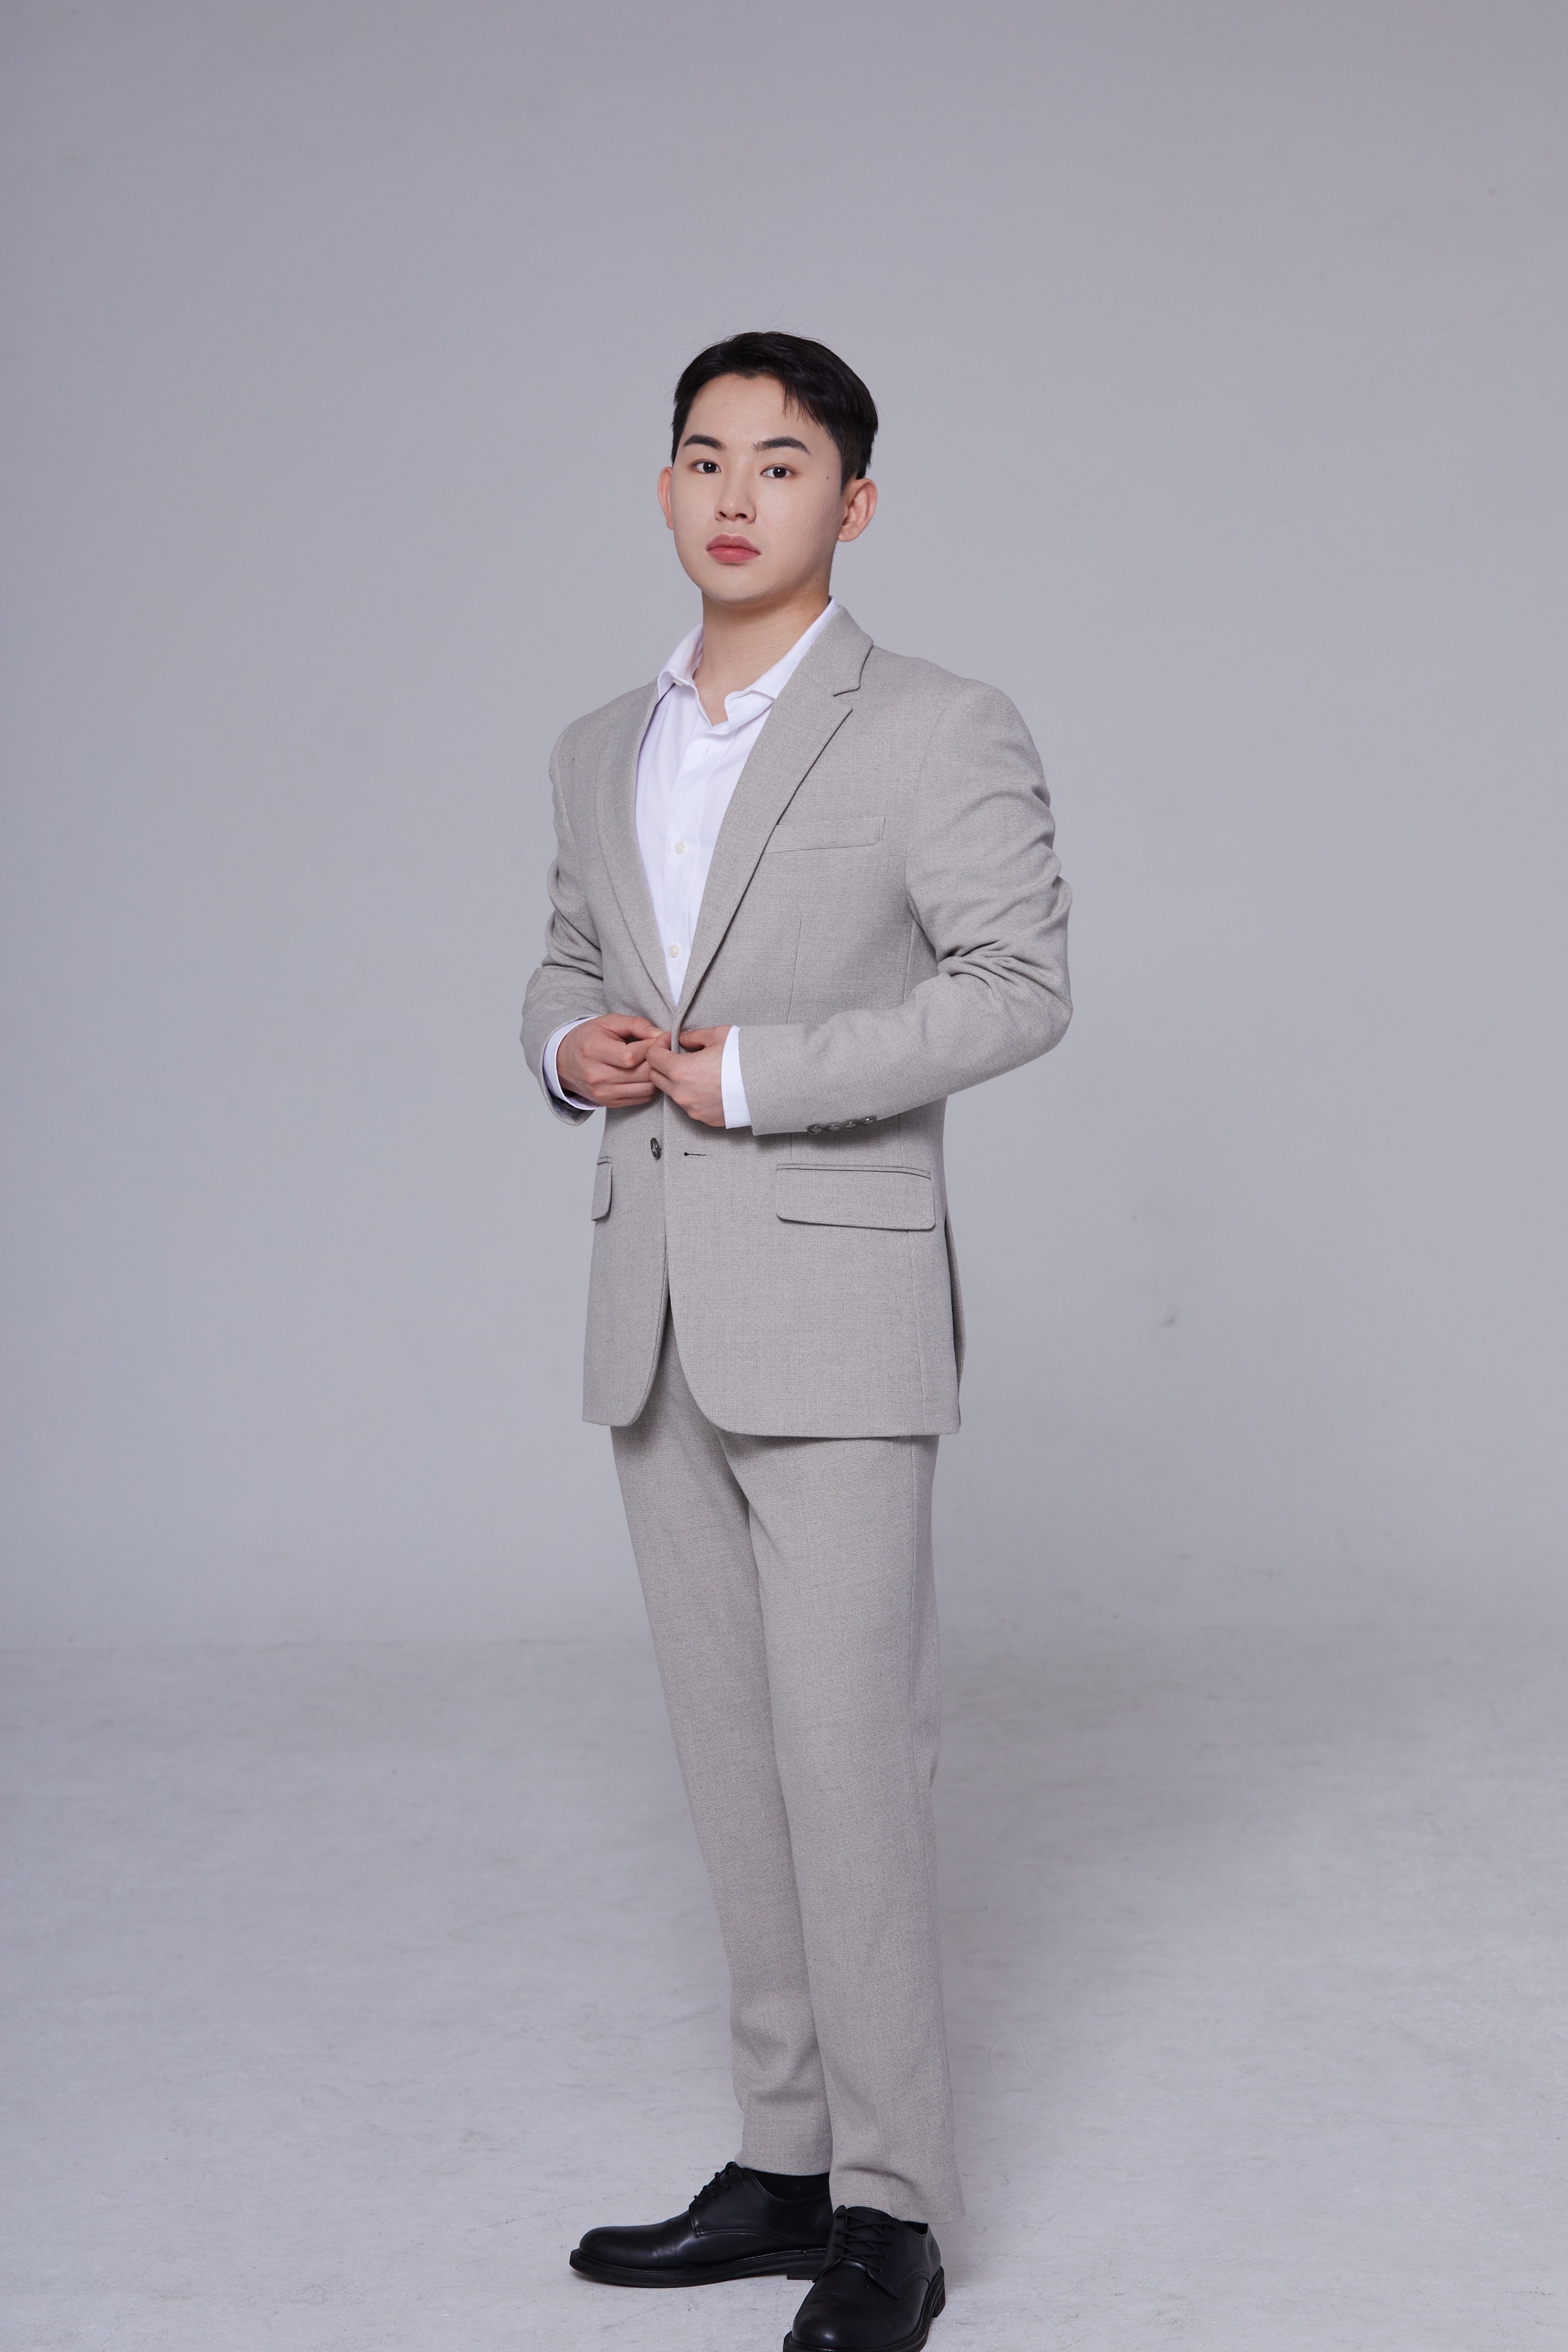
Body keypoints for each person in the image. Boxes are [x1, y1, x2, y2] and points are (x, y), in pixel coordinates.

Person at [521, 330, 1071, 2352]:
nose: (736, 491)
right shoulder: (599, 744)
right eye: (703, 455)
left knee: (848, 1763)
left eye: (781, 459)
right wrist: (568, 1049)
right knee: (734, 1762)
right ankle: (782, 2161)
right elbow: (564, 960)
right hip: (653, 1312)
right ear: (664, 489)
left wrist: (752, 1075)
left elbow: (1018, 984)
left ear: (855, 500)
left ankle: (892, 2209)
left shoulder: (936, 725)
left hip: (834, 1304)